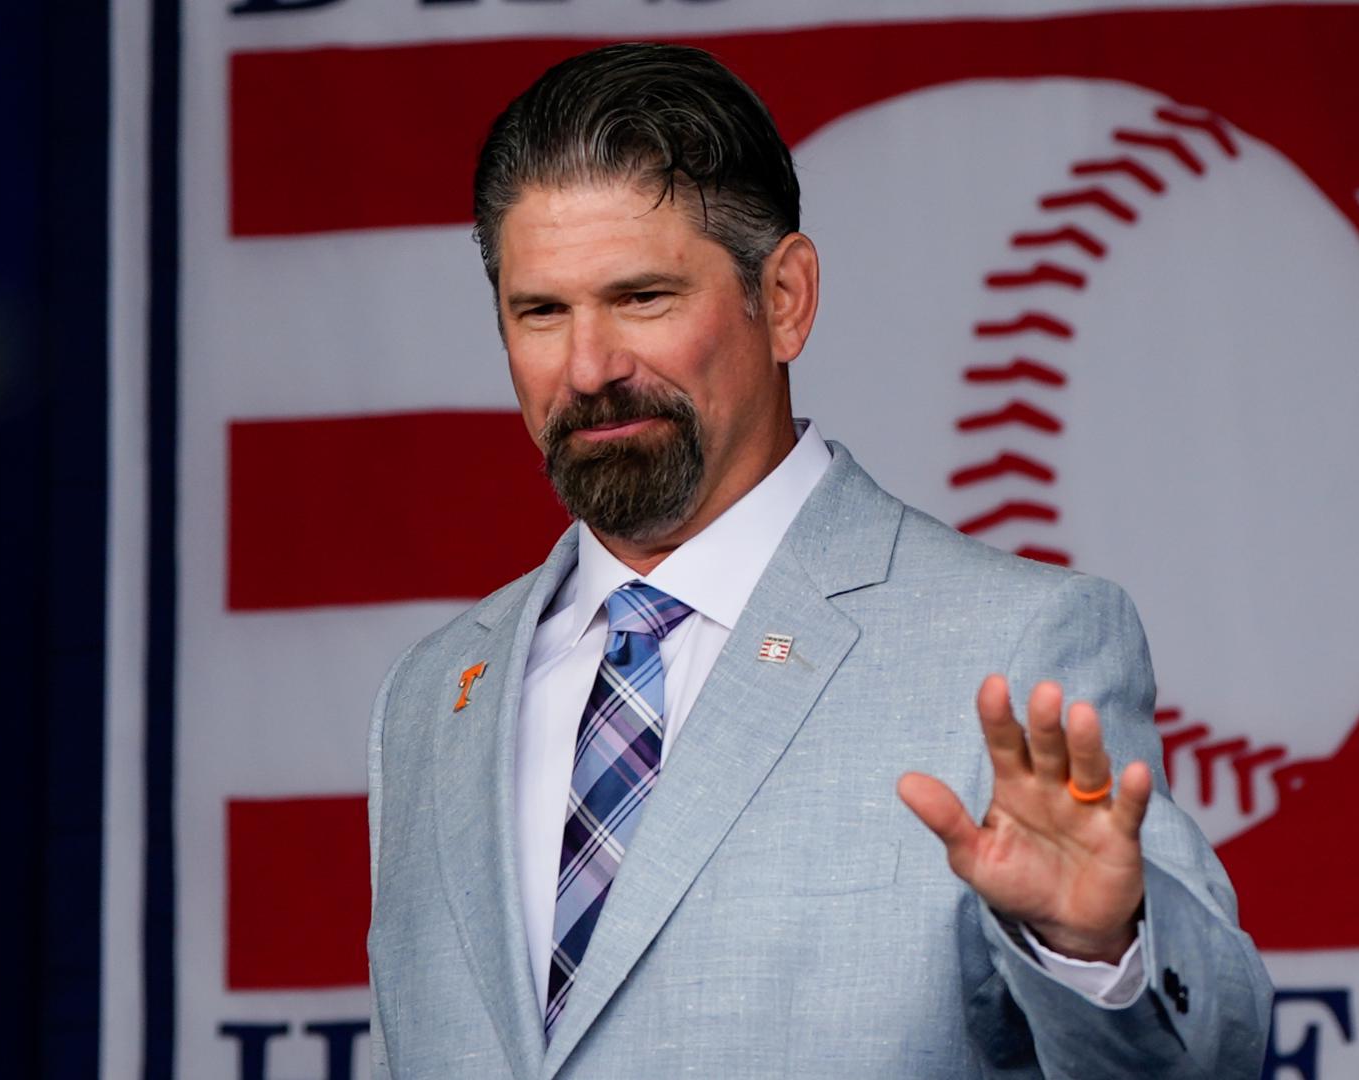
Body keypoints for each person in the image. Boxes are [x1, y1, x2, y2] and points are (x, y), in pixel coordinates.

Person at [366, 42, 1271, 1079]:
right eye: (541, 312)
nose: (589, 367)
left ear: (786, 297)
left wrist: (1097, 952)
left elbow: (1210, 1059)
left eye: (644, 298)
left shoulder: (1013, 646)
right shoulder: (429, 699)